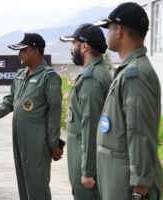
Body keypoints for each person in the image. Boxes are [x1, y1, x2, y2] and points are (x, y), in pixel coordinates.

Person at [94, 2, 163, 200]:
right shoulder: (129, 70)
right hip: (119, 183)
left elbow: (140, 133)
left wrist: (139, 190)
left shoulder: (136, 74)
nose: (107, 34)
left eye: (109, 28)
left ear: (119, 31)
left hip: (129, 189)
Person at [0, 33, 63, 200]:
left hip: (37, 142)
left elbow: (54, 111)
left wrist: (53, 143)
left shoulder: (49, 77)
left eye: (23, 50)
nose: (19, 54)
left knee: (37, 186)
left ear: (36, 52)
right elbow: (10, 100)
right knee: (24, 182)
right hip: (19, 140)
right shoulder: (20, 74)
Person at [60, 23, 112, 200]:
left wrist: (88, 172)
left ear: (84, 46)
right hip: (86, 163)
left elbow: (91, 127)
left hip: (88, 169)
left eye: (73, 44)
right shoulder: (96, 73)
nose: (71, 49)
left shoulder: (92, 79)